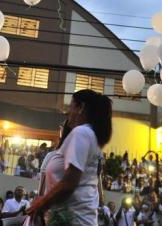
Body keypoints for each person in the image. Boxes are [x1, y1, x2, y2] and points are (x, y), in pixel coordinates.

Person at [27, 89, 113, 226]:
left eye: (70, 106)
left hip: (74, 220)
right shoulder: (90, 134)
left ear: (81, 108)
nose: (67, 112)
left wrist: (40, 204)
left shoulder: (82, 133)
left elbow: (69, 182)